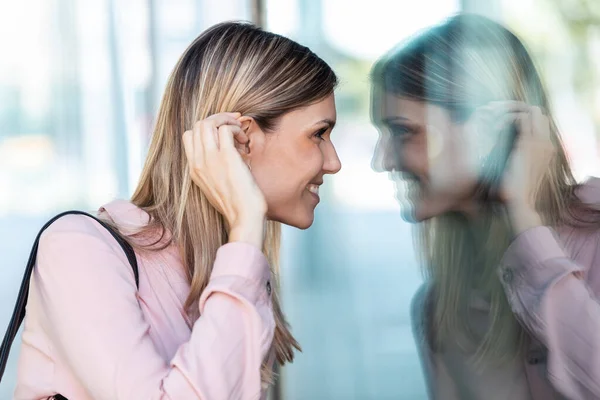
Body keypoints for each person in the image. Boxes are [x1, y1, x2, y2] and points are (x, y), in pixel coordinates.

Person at [14, 22, 341, 400]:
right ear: (243, 139)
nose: (333, 162)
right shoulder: (78, 249)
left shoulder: (234, 265)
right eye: (319, 134)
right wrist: (246, 227)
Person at [371, 13, 600, 400]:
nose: (383, 160)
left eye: (403, 131)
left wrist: (526, 222)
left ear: (491, 131)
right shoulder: (439, 309)